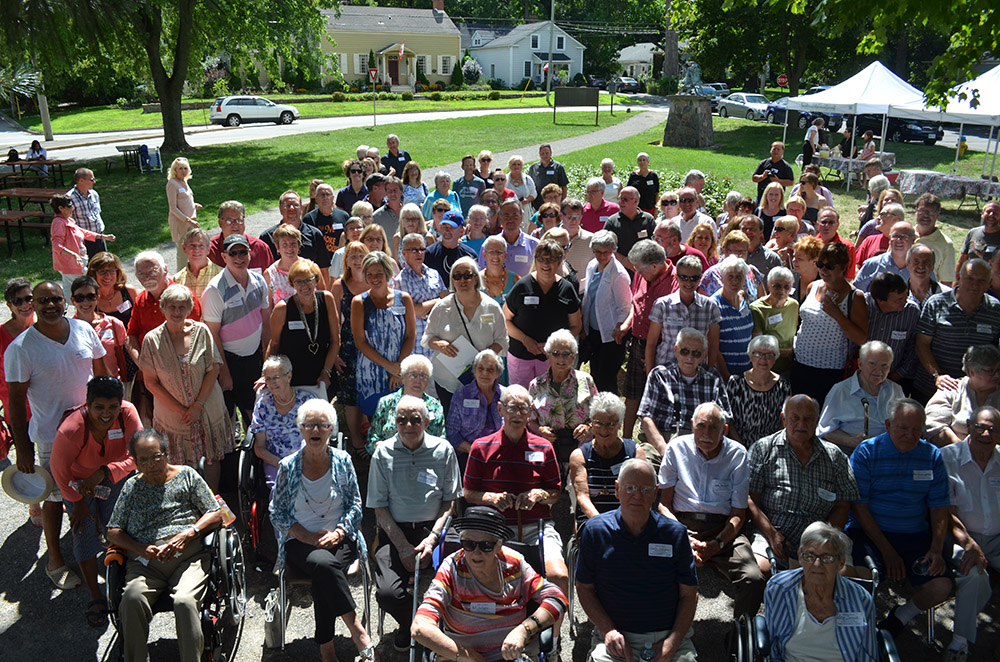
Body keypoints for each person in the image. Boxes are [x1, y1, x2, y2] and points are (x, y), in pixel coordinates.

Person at [6, 281, 108, 590]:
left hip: (93, 429)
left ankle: (99, 541)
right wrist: (23, 448)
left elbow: (101, 376)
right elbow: (15, 402)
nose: (49, 305)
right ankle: (55, 559)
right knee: (53, 498)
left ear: (65, 301)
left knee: (98, 486)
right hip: (51, 438)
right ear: (33, 305)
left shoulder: (83, 330)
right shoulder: (21, 349)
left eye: (55, 299)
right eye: (42, 300)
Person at [268, 399, 377, 662]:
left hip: (340, 538)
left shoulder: (343, 460)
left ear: (331, 429)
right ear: (301, 429)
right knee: (325, 566)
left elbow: (355, 505)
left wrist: (339, 532)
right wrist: (305, 536)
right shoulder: (288, 466)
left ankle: (326, 647)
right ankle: (358, 631)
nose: (316, 430)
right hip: (299, 542)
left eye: (322, 425)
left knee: (323, 570)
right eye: (309, 425)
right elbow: (277, 512)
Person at [106, 429, 223, 662]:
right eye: (143, 460)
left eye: (156, 457)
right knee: (131, 600)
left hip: (188, 557)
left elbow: (216, 512)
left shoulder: (187, 476)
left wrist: (188, 535)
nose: (151, 465)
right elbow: (113, 531)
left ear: (167, 454)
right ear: (136, 462)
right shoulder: (131, 488)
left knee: (185, 601)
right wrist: (140, 549)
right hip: (146, 562)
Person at [846, 399, 953, 639]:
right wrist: (887, 551)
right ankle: (857, 629)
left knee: (942, 585)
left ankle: (900, 618)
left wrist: (936, 548)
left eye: (917, 429)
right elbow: (860, 507)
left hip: (914, 534)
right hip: (869, 533)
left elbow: (938, 507)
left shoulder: (931, 455)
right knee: (860, 578)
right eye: (903, 428)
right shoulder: (866, 452)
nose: (910, 434)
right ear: (887, 424)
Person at [576, 458, 699, 662]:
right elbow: (584, 588)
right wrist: (608, 632)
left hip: (668, 637)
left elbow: (689, 595)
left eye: (645, 489)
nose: (637, 496)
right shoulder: (596, 531)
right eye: (630, 488)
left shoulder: (674, 533)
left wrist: (672, 643)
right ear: (617, 489)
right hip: (616, 638)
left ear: (655, 492)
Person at [411, 505, 567, 662]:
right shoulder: (452, 567)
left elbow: (557, 598)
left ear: (499, 546)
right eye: (469, 544)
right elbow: (419, 628)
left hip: (511, 655)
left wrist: (524, 629)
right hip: (462, 657)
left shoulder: (515, 563)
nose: (476, 553)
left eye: (486, 545)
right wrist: (469, 657)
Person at [367, 394, 460, 650]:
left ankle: (439, 627)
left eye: (415, 420)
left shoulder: (444, 450)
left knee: (454, 584)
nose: (408, 425)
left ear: (427, 421)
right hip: (395, 531)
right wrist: (402, 546)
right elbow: (379, 507)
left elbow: (450, 503)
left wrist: (432, 538)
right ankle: (418, 626)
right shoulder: (382, 453)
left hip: (434, 530)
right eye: (402, 420)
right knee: (387, 593)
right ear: (394, 422)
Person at [658, 402, 766, 619]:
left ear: (724, 430)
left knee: (752, 578)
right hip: (680, 525)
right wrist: (681, 535)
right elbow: (663, 505)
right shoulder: (676, 448)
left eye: (713, 428)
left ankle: (737, 640)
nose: (706, 433)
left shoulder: (737, 454)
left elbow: (738, 514)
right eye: (701, 426)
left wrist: (717, 544)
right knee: (650, 566)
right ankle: (660, 631)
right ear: (692, 425)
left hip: (722, 528)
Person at [464, 385, 569, 597]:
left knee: (559, 576)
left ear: (531, 412)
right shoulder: (480, 446)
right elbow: (469, 493)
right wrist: (492, 498)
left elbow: (555, 494)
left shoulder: (543, 447)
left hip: (536, 527)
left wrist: (538, 495)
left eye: (523, 409)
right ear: (501, 409)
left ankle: (554, 630)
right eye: (512, 407)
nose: (518, 414)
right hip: (492, 528)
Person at [50, 376, 140, 624]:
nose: (106, 414)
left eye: (113, 407)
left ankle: (122, 580)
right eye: (99, 407)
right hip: (77, 484)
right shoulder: (71, 430)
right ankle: (95, 595)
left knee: (118, 527)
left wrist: (105, 471)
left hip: (114, 474)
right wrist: (76, 502)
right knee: (84, 532)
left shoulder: (128, 414)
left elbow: (138, 453)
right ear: (87, 405)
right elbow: (59, 471)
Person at [748, 396, 860, 574]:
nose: (801, 424)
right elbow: (751, 499)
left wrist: (823, 539)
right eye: (795, 417)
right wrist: (772, 534)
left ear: (817, 421)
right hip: (773, 531)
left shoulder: (835, 456)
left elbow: (843, 503)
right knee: (760, 569)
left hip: (822, 536)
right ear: (784, 419)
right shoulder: (763, 449)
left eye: (808, 419)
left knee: (845, 575)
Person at [139, 284, 232, 492]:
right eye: (171, 306)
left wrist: (197, 405)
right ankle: (188, 503)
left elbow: (213, 369)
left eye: (182, 307)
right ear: (163, 308)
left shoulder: (202, 331)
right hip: (173, 416)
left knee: (211, 458)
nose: (176, 312)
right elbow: (151, 382)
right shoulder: (152, 340)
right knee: (179, 464)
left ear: (189, 308)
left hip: (206, 408)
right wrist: (183, 411)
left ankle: (212, 500)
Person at [762, 521, 878, 662]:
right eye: (809, 556)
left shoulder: (861, 600)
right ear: (800, 557)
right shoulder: (779, 589)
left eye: (826, 558)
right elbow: (773, 647)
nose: (817, 564)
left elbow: (868, 653)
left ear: (841, 562)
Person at [941, 405, 1000, 662]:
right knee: (975, 575)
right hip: (959, 537)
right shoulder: (947, 457)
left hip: (997, 540)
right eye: (980, 427)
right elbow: (943, 511)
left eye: (993, 429)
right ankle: (959, 643)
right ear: (968, 425)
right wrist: (968, 543)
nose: (986, 434)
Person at [201, 234, 271, 424]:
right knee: (229, 414)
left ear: (250, 253)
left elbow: (266, 320)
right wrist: (224, 372)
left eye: (243, 252)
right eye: (233, 253)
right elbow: (212, 334)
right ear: (224, 257)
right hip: (230, 361)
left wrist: (268, 357)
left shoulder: (259, 281)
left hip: (254, 357)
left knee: (255, 409)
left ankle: (255, 448)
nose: (239, 258)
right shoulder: (215, 290)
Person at [639, 327, 731, 470]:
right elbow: (646, 417)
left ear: (703, 355)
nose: (689, 357)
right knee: (643, 469)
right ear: (676, 350)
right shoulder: (659, 375)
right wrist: (665, 451)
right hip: (663, 440)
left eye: (696, 353)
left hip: (702, 441)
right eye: (685, 351)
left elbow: (724, 417)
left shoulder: (713, 378)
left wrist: (705, 449)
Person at [423, 257, 507, 412]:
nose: (462, 280)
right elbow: (427, 338)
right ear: (452, 280)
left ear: (475, 278)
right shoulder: (442, 307)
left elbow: (502, 341)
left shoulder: (492, 307)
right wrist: (438, 344)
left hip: (482, 380)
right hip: (447, 381)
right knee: (451, 426)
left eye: (467, 275)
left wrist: (484, 358)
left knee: (482, 424)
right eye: (457, 276)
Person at [791, 241, 868, 404]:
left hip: (829, 371)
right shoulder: (813, 286)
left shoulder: (855, 297)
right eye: (820, 264)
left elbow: (861, 338)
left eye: (830, 266)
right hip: (800, 364)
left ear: (843, 267)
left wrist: (837, 314)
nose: (823, 270)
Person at [915, 259, 1000, 401]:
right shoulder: (937, 303)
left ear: (989, 283)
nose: (975, 285)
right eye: (970, 278)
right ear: (959, 278)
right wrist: (937, 376)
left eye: (981, 281)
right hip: (933, 388)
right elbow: (921, 344)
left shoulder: (996, 310)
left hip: (977, 393)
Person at [503, 240, 582, 388]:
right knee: (521, 400)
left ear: (559, 261)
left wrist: (553, 345)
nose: (546, 264)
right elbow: (505, 320)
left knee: (549, 402)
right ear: (536, 260)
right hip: (521, 355)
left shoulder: (567, 289)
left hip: (553, 358)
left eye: (551, 260)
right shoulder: (522, 286)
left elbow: (576, 325)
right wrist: (525, 340)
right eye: (541, 259)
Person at [620, 240, 677, 440]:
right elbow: (636, 303)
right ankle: (626, 439)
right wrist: (627, 324)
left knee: (657, 397)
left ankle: (653, 442)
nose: (638, 273)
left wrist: (651, 361)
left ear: (654, 266)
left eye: (640, 269)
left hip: (661, 347)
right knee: (633, 393)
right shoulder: (642, 272)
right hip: (638, 342)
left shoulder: (676, 281)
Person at [568, 393, 646, 530]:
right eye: (598, 423)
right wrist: (603, 524)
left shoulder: (635, 453)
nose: (604, 430)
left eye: (610, 424)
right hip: (592, 522)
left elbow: (642, 493)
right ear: (591, 423)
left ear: (620, 425)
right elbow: (582, 497)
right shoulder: (579, 456)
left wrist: (623, 525)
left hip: (628, 522)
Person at [353, 251, 416, 417]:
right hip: (370, 375)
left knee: (401, 420)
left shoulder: (404, 299)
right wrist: (389, 366)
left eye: (379, 274)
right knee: (375, 424)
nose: (375, 278)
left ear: (387, 273)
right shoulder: (359, 302)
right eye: (370, 274)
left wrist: (398, 368)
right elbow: (360, 342)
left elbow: (410, 336)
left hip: (399, 373)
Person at [266, 258, 338, 399]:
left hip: (321, 373)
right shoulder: (283, 309)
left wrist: (326, 372)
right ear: (292, 283)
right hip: (292, 376)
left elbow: (335, 340)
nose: (304, 285)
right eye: (299, 281)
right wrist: (267, 374)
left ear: (316, 280)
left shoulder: (327, 299)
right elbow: (274, 344)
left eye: (308, 280)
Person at [527, 329, 598, 468]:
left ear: (573, 357)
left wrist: (588, 426)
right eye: (556, 353)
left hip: (582, 448)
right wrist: (540, 430)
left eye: (566, 354)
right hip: (549, 450)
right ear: (548, 356)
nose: (561, 359)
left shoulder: (586, 381)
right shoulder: (536, 385)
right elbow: (529, 420)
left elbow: (600, 414)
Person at [817, 341, 903, 453]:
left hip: (889, 454)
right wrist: (851, 441)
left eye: (884, 365)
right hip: (852, 453)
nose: (878, 370)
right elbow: (824, 430)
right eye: (872, 364)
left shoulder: (896, 390)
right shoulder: (841, 391)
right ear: (860, 364)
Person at [249, 355, 314, 492]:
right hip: (276, 462)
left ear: (288, 376)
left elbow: (320, 436)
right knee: (281, 489)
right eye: (268, 379)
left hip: (307, 459)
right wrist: (280, 464)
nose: (272, 383)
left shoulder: (307, 401)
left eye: (276, 377)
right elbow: (259, 447)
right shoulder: (263, 405)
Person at [645, 255, 720, 370]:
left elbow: (714, 343)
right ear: (676, 277)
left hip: (697, 370)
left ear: (700, 278)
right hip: (666, 369)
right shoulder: (662, 305)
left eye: (693, 278)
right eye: (684, 277)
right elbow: (651, 343)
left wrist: (708, 372)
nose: (688, 283)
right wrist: (650, 375)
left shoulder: (710, 306)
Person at [331, 242, 370, 454]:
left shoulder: (374, 282)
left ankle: (372, 431)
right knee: (350, 395)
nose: (356, 260)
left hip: (374, 345)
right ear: (345, 260)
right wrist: (335, 353)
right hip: (349, 346)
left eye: (361, 255)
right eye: (352, 256)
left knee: (372, 389)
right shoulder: (340, 285)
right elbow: (334, 322)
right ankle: (356, 440)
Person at [581, 230, 631, 394]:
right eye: (598, 252)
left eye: (607, 252)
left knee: (606, 378)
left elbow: (624, 306)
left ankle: (611, 414)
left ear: (613, 250)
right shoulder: (592, 266)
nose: (602, 256)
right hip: (594, 331)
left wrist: (619, 328)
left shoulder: (619, 273)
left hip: (611, 336)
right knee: (594, 375)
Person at [365, 354, 446, 453]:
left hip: (425, 460)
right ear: (402, 378)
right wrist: (384, 448)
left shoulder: (435, 406)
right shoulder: (386, 403)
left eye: (423, 376)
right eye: (413, 375)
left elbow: (441, 441)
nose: (418, 380)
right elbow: (372, 441)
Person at [925, 345, 1000, 447]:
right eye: (990, 371)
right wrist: (961, 449)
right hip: (952, 454)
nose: (997, 375)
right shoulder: (952, 389)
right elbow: (933, 424)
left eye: (999, 370)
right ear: (971, 372)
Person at [726, 335, 790, 446]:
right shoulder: (736, 383)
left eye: (769, 355)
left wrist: (770, 447)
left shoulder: (783, 386)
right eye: (758, 354)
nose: (763, 359)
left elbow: (783, 422)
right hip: (738, 444)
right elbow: (729, 420)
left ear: (775, 359)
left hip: (770, 446)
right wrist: (740, 447)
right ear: (750, 356)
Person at [392, 233, 446, 361]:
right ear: (404, 253)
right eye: (414, 250)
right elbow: (413, 311)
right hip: (417, 347)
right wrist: (438, 301)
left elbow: (448, 301)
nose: (419, 253)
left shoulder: (434, 274)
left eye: (422, 249)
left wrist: (424, 308)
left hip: (440, 343)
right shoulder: (400, 280)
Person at [260, 190, 333, 287]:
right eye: (287, 205)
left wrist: (324, 296)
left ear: (301, 208)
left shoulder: (315, 234)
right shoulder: (267, 237)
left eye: (295, 205)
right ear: (280, 209)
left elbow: (323, 269)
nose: (291, 208)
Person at [49, 194, 116, 296]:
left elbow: (83, 232)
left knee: (70, 290)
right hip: (71, 264)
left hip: (77, 262)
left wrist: (103, 237)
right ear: (61, 208)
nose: (73, 208)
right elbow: (56, 245)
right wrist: (74, 255)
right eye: (70, 206)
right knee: (88, 286)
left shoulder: (68, 220)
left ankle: (68, 308)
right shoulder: (59, 223)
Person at [446, 348, 505, 462]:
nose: (485, 373)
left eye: (490, 369)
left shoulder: (506, 395)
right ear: (474, 371)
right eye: (480, 368)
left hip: (500, 453)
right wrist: (474, 450)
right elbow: (452, 433)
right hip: (469, 454)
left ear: (497, 373)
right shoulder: (461, 395)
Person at [0, 278, 35, 470]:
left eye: (28, 298)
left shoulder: (46, 328)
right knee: (26, 460)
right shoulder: (0, 335)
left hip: (47, 407)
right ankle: (34, 501)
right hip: (17, 409)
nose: (25, 304)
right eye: (18, 301)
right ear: (9, 305)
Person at [71, 276, 127, 382]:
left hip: (111, 386)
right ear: (72, 300)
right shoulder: (69, 329)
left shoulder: (114, 324)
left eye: (90, 296)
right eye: (80, 297)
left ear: (98, 298)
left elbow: (122, 356)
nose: (85, 302)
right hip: (82, 389)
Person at [711, 256, 755, 380]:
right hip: (725, 376)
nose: (735, 281)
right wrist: (727, 377)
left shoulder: (746, 300)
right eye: (730, 276)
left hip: (747, 374)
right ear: (722, 278)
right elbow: (713, 345)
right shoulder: (714, 305)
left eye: (739, 277)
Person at [750, 267, 798, 374]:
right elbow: (758, 345)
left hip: (790, 367)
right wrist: (787, 352)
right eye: (777, 286)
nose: (782, 290)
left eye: (787, 287)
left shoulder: (794, 305)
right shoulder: (757, 308)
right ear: (768, 286)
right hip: (766, 368)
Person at [479, 199, 539, 280]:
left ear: (521, 217)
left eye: (515, 215)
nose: (511, 220)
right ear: (500, 218)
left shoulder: (534, 245)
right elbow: (482, 274)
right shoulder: (489, 245)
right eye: (506, 216)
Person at [208, 200, 273, 272]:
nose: (235, 225)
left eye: (240, 220)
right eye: (229, 221)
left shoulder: (260, 248)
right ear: (220, 223)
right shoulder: (209, 249)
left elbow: (272, 278)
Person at [698, 231, 765, 300]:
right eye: (735, 251)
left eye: (742, 251)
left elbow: (762, 302)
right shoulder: (711, 274)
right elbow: (702, 303)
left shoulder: (752, 271)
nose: (739, 255)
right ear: (724, 251)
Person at [853, 220, 915, 292]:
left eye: (904, 236)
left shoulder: (920, 267)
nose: (899, 240)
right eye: (895, 236)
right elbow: (857, 294)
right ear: (889, 238)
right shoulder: (872, 264)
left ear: (913, 239)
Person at [605, 187, 656, 272]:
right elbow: (605, 246)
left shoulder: (648, 219)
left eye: (625, 199)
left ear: (635, 201)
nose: (621, 202)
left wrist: (640, 261)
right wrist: (624, 260)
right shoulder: (612, 222)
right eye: (619, 199)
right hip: (619, 270)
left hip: (645, 270)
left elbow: (655, 244)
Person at [426, 210, 477, 289]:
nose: (447, 230)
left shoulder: (470, 255)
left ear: (461, 231)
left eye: (452, 227)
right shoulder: (429, 253)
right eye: (444, 226)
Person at [165, 157, 202, 267]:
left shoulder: (184, 182)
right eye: (180, 168)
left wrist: (193, 205)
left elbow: (184, 200)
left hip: (190, 222)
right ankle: (180, 279)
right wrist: (189, 220)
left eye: (185, 168)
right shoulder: (172, 183)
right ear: (174, 170)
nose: (183, 171)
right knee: (183, 253)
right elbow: (173, 208)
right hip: (181, 223)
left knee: (194, 249)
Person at [911, 193, 955, 286]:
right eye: (922, 211)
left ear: (938, 214)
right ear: (915, 211)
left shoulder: (946, 244)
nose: (926, 215)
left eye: (931, 212)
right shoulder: (904, 235)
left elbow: (946, 282)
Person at [66, 167, 108, 258]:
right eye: (91, 179)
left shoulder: (94, 194)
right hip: (85, 239)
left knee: (103, 263)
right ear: (81, 180)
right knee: (89, 266)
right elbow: (68, 221)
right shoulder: (70, 198)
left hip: (99, 235)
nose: (94, 182)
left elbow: (97, 213)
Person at [853, 201, 904, 271]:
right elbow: (855, 265)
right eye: (879, 214)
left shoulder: (905, 244)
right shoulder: (869, 240)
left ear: (895, 219)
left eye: (883, 214)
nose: (878, 218)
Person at [303, 183, 350, 256]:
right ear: (316, 198)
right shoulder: (309, 219)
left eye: (328, 195)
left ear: (332, 197)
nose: (325, 198)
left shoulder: (343, 216)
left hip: (339, 259)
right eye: (322, 195)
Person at [172, 228, 221, 298]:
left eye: (201, 245)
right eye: (192, 245)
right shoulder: (176, 280)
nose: (196, 249)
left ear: (208, 249)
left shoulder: (221, 275)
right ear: (184, 248)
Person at [263, 223, 303, 306]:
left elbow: (321, 298)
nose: (289, 248)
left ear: (298, 245)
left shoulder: (311, 268)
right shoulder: (270, 274)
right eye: (284, 244)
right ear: (277, 247)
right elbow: (268, 307)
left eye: (293, 243)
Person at [957, 201, 1000, 273]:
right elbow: (961, 261)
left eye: (996, 212)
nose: (991, 215)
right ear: (982, 214)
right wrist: (956, 281)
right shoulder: (973, 232)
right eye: (988, 211)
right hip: (970, 278)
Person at [816, 207, 857, 278]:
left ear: (837, 225)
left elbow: (848, 277)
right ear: (817, 224)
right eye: (824, 222)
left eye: (831, 222)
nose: (827, 226)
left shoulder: (847, 247)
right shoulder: (809, 245)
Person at [480, 234, 518, 306]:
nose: (495, 256)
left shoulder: (515, 280)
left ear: (505, 256)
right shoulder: (475, 280)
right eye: (491, 252)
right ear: (484, 255)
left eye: (499, 252)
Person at [527, 144, 568, 210]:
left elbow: (564, 187)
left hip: (553, 204)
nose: (544, 155)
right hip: (537, 205)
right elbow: (529, 185)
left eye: (547, 153)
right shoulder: (534, 167)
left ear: (551, 153)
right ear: (539, 154)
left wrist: (561, 203)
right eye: (542, 153)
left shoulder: (558, 167)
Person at [791, 235, 823, 304]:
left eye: (799, 259)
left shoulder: (824, 284)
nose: (793, 260)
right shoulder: (789, 277)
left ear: (815, 262)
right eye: (794, 257)